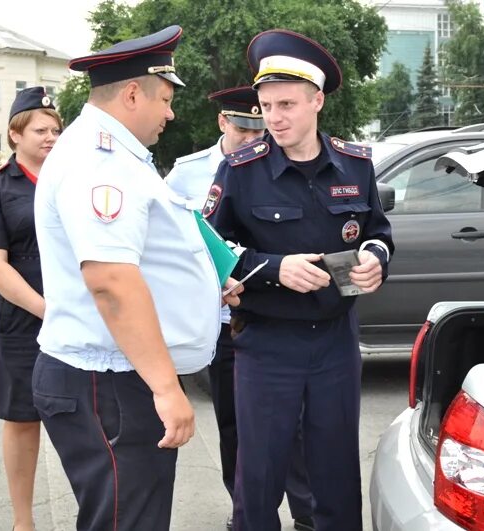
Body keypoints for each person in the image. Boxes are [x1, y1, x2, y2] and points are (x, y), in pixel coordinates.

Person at [32, 26, 239, 531]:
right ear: (131, 94)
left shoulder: (116, 155)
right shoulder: (98, 162)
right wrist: (168, 390)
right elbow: (111, 281)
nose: (170, 113)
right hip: (110, 384)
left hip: (114, 379)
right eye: (164, 99)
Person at [207, 29, 394, 531]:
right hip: (267, 343)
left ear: (317, 101)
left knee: (335, 473)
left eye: (286, 104)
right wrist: (272, 268)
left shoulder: (356, 164)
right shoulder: (240, 170)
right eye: (267, 105)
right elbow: (211, 248)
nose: (274, 117)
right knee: (260, 477)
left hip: (335, 340)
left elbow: (377, 229)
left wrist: (375, 257)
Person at [165, 86, 315, 531]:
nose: (254, 137)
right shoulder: (187, 175)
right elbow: (172, 242)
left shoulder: (283, 162)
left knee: (296, 424)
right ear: (222, 124)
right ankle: (246, 509)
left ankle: (307, 511)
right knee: (234, 425)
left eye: (259, 128)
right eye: (244, 128)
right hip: (225, 322)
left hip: (278, 317)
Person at [0, 86, 62, 531]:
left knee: (86, 416)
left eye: (56, 130)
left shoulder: (72, 180)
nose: (51, 137)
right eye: (41, 130)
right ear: (14, 134)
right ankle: (22, 521)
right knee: (24, 418)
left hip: (80, 316)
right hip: (23, 321)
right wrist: (48, 310)